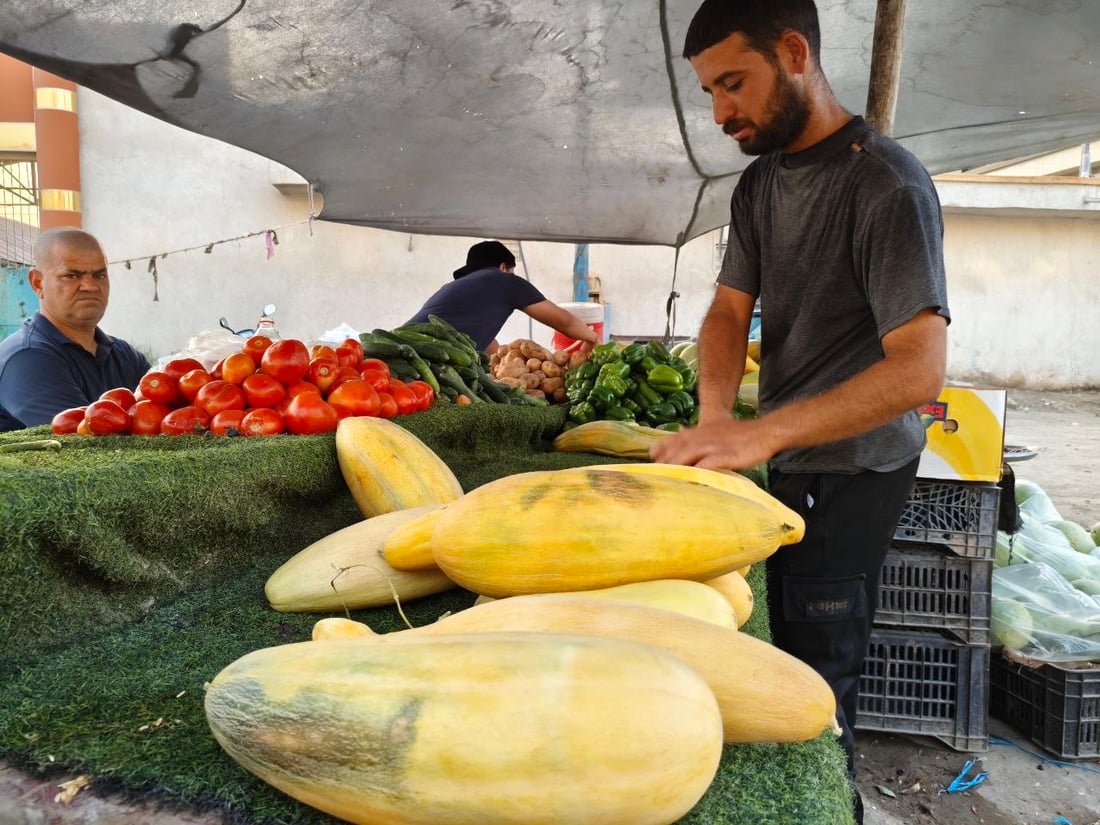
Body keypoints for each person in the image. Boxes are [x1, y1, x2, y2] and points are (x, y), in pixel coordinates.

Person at [650, 2, 950, 821]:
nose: (720, 113)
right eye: (710, 91)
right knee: (773, 643)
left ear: (793, 52)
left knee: (817, 677)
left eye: (733, 84)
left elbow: (919, 367)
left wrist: (760, 432)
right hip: (784, 456)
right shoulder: (760, 183)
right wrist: (717, 415)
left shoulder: (886, 184)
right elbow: (724, 313)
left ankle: (831, 799)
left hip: (854, 469)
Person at [0, 228, 150, 431]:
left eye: (99, 275)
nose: (90, 286)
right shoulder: (27, 358)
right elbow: (85, 446)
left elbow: (171, 418)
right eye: (71, 276)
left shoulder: (125, 355)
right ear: (37, 283)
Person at [406, 240, 598, 354]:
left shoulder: (453, 290)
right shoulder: (504, 280)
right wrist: (592, 339)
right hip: (421, 362)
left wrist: (510, 359)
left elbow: (487, 344)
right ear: (503, 267)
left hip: (396, 352)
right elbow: (564, 321)